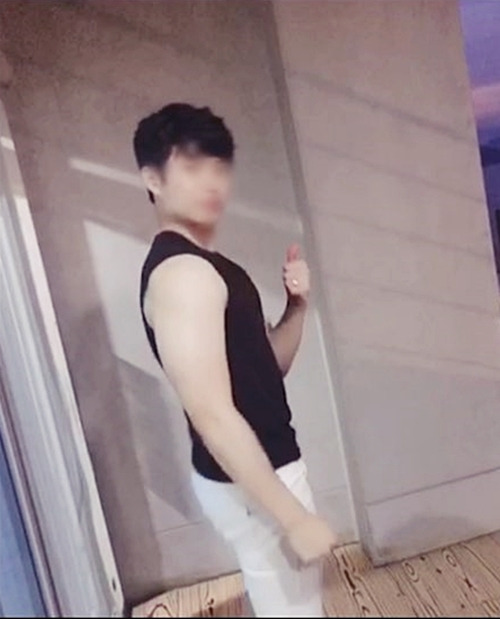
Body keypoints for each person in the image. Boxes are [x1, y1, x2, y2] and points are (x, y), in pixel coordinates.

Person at [134, 103, 337, 617]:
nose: (212, 181)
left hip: (264, 470)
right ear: (153, 179)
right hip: (256, 481)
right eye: (191, 166)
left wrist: (297, 306)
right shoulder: (183, 275)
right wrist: (294, 518)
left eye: (219, 165)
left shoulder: (212, 267)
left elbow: (270, 367)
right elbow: (212, 415)